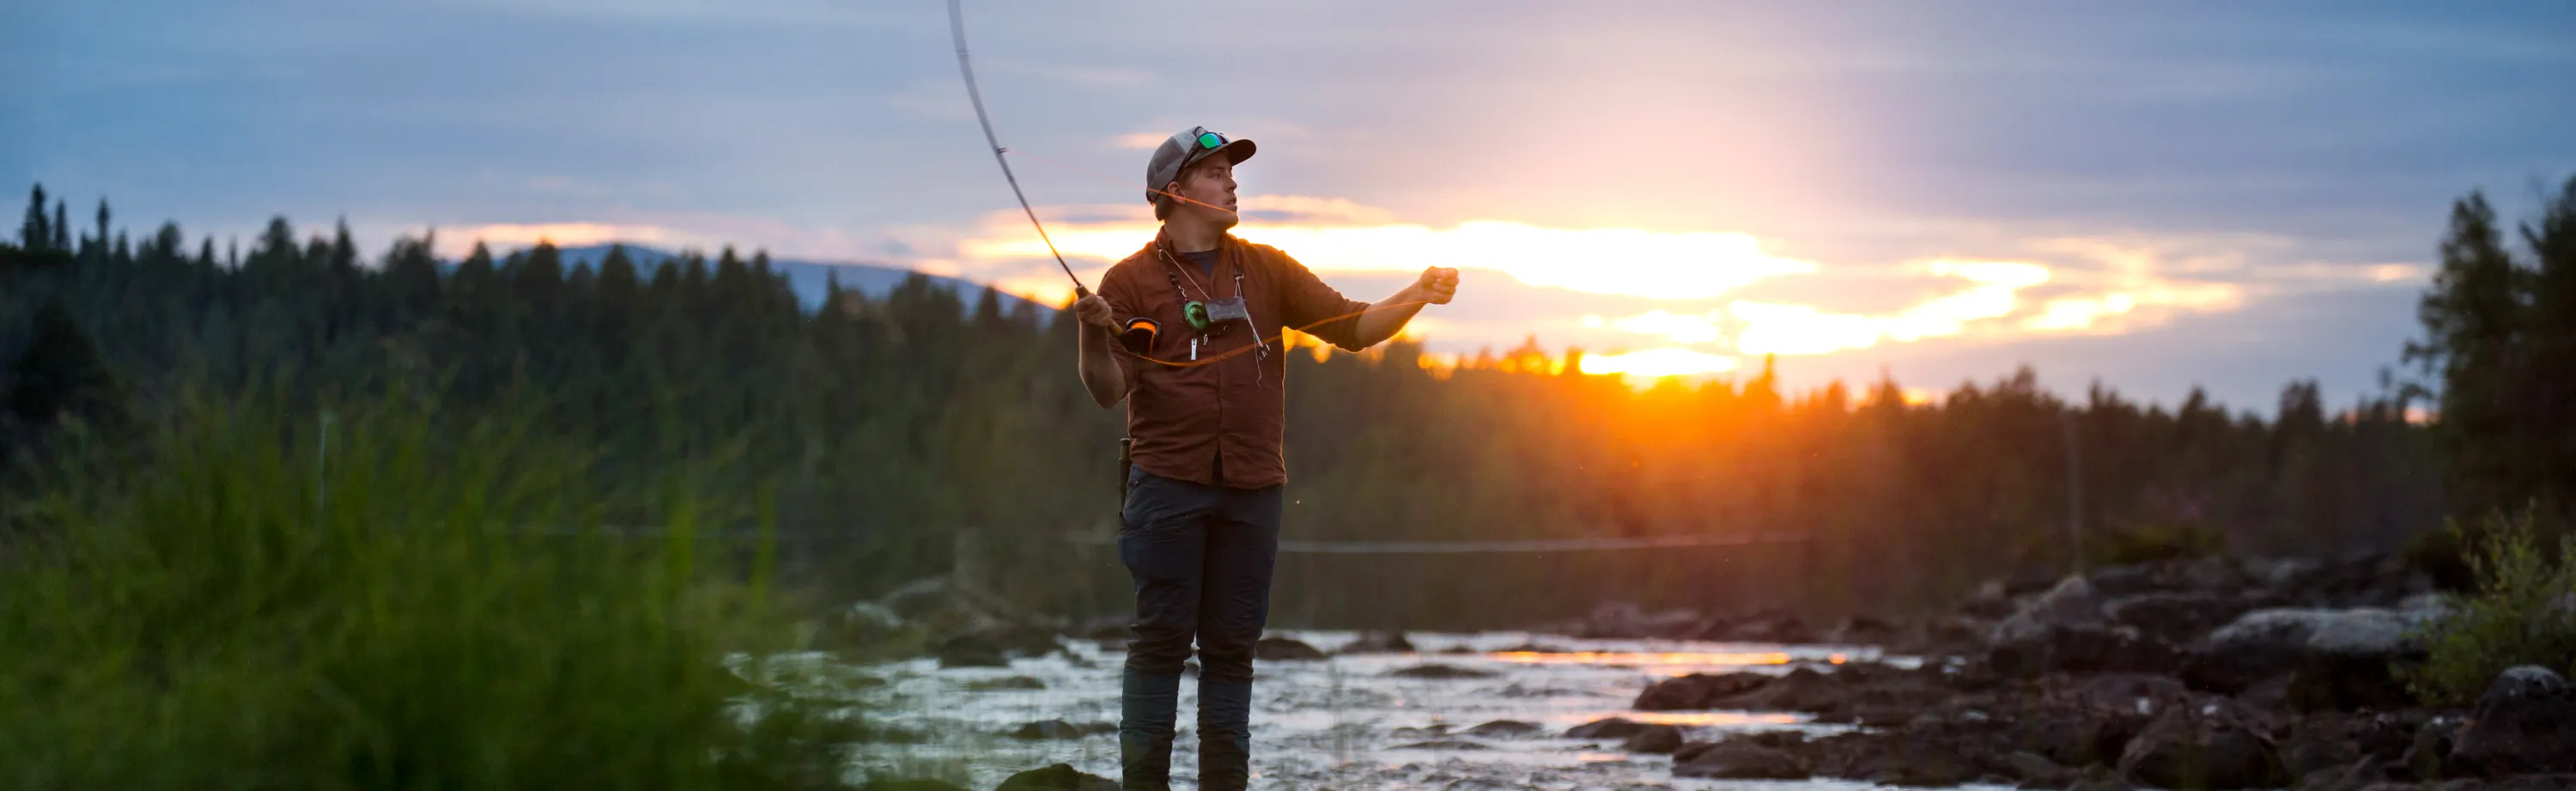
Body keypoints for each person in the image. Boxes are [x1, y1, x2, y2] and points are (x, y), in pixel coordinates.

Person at [1069, 126, 1458, 790]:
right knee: (1160, 642)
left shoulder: (1269, 268)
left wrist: (1415, 294)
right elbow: (1109, 392)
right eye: (1217, 171)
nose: (1232, 181)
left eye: (1231, 171)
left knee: (1232, 650)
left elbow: (1355, 327)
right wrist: (1088, 331)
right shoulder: (1127, 282)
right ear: (1174, 192)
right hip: (1165, 486)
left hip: (1253, 489)